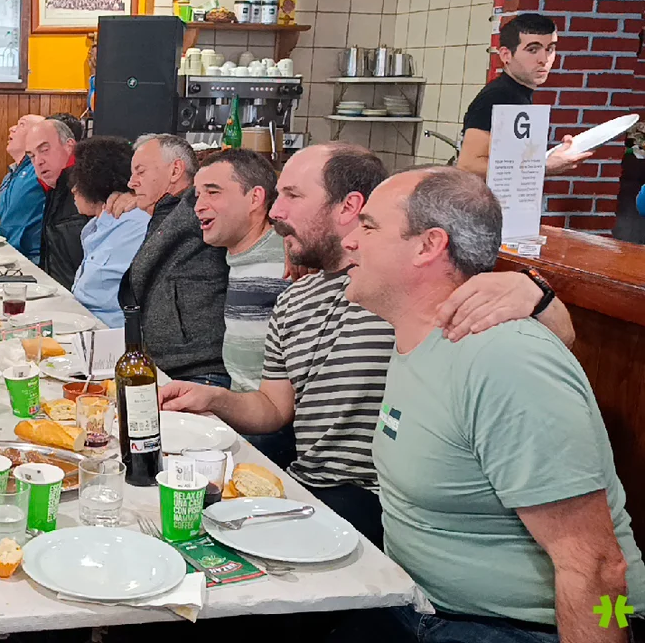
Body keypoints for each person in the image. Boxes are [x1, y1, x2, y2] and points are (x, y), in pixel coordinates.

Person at [160, 142, 576, 547]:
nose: (274, 211)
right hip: (307, 485)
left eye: (292, 195)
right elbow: (273, 407)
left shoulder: (405, 290)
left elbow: (550, 339)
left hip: (373, 501)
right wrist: (214, 398)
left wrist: (534, 290)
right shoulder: (296, 298)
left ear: (349, 207)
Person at [341, 167, 645, 641]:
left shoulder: (502, 359)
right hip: (420, 605)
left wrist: (616, 628)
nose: (349, 240)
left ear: (428, 246)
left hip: (518, 629)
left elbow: (600, 567)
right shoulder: (423, 336)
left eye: (369, 226)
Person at [192, 148, 295, 467]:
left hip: (271, 428)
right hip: (240, 406)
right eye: (197, 195)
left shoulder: (289, 258)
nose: (198, 206)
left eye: (213, 192)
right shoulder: (237, 252)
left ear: (255, 199)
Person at [118, 133, 229, 386]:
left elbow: (251, 197)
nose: (131, 182)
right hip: (168, 366)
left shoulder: (197, 204)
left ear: (176, 170)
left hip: (200, 372)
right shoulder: (164, 209)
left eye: (140, 172)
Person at [458, 13, 592, 178]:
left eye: (549, 49)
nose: (544, 59)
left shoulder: (517, 94)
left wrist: (552, 157)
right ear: (506, 55)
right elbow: (468, 165)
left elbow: (511, 159)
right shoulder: (498, 96)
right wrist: (543, 166)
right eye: (532, 50)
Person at [67, 136, 148, 327]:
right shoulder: (100, 223)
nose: (73, 189)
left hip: (110, 333)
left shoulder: (133, 225)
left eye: (78, 180)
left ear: (95, 182)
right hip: (84, 322)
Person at [27, 119, 87, 290]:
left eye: (44, 150)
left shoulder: (91, 189)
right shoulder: (54, 189)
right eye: (32, 156)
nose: (38, 161)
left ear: (70, 146)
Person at [0, 113, 46, 264]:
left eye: (21, 124)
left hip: (32, 260)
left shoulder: (40, 169)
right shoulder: (10, 175)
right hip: (8, 255)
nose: (12, 128)